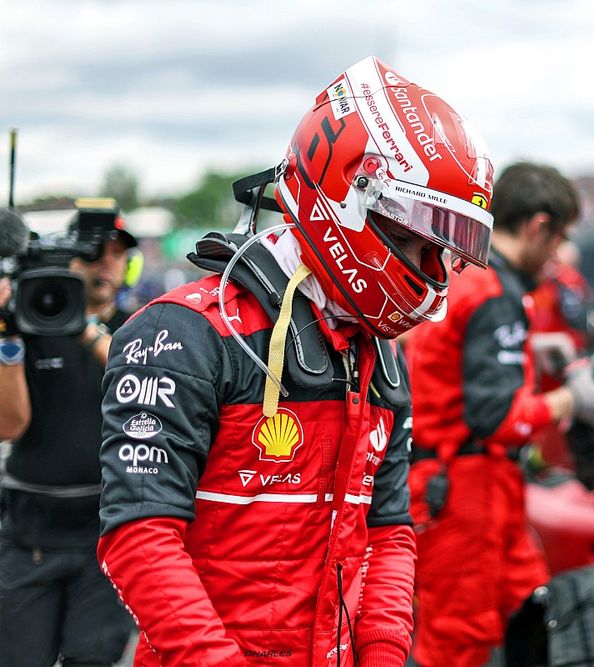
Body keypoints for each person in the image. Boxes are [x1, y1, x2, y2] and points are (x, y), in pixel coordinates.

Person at [96, 56, 495, 666]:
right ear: (351, 198)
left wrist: (385, 654)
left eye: (445, 250)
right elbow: (139, 537)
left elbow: (388, 533)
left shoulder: (381, 356)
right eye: (420, 240)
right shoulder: (185, 333)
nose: (435, 271)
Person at [406, 162, 594, 667]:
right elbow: (497, 416)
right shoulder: (493, 292)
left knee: (535, 612)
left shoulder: (469, 274)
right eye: (559, 238)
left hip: (482, 481)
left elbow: (461, 366)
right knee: (458, 640)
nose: (557, 254)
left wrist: (532, 346)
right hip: (464, 486)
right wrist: (572, 400)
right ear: (538, 226)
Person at [0, 205, 137, 666]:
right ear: (68, 262)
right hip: (29, 536)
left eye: (116, 254)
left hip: (107, 540)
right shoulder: (25, 328)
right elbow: (8, 426)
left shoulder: (140, 329)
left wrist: (84, 329)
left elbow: (140, 377)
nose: (104, 263)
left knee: (93, 657)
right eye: (93, 252)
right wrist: (7, 335)